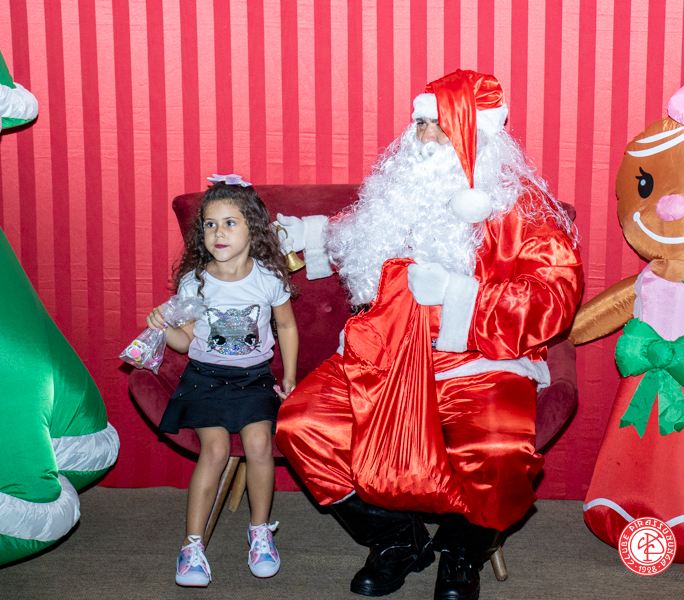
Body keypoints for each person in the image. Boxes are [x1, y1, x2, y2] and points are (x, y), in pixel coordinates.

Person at [275, 70, 583, 600]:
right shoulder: (401, 191)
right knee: (303, 424)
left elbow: (555, 297)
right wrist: (305, 234)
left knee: (499, 449)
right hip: (383, 352)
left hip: (478, 361)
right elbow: (360, 234)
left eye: (436, 126)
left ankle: (463, 550)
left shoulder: (521, 207)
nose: (421, 137)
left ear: (474, 135)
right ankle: (397, 540)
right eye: (418, 124)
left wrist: (459, 294)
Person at [148, 176, 299, 587]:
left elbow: (286, 326)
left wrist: (288, 376)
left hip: (254, 379)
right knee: (214, 450)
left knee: (259, 444)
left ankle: (260, 532)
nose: (219, 232)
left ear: (253, 228)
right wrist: (164, 326)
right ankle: (191, 546)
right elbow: (185, 341)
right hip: (205, 379)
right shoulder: (195, 282)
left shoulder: (268, 279)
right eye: (210, 224)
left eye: (230, 223)